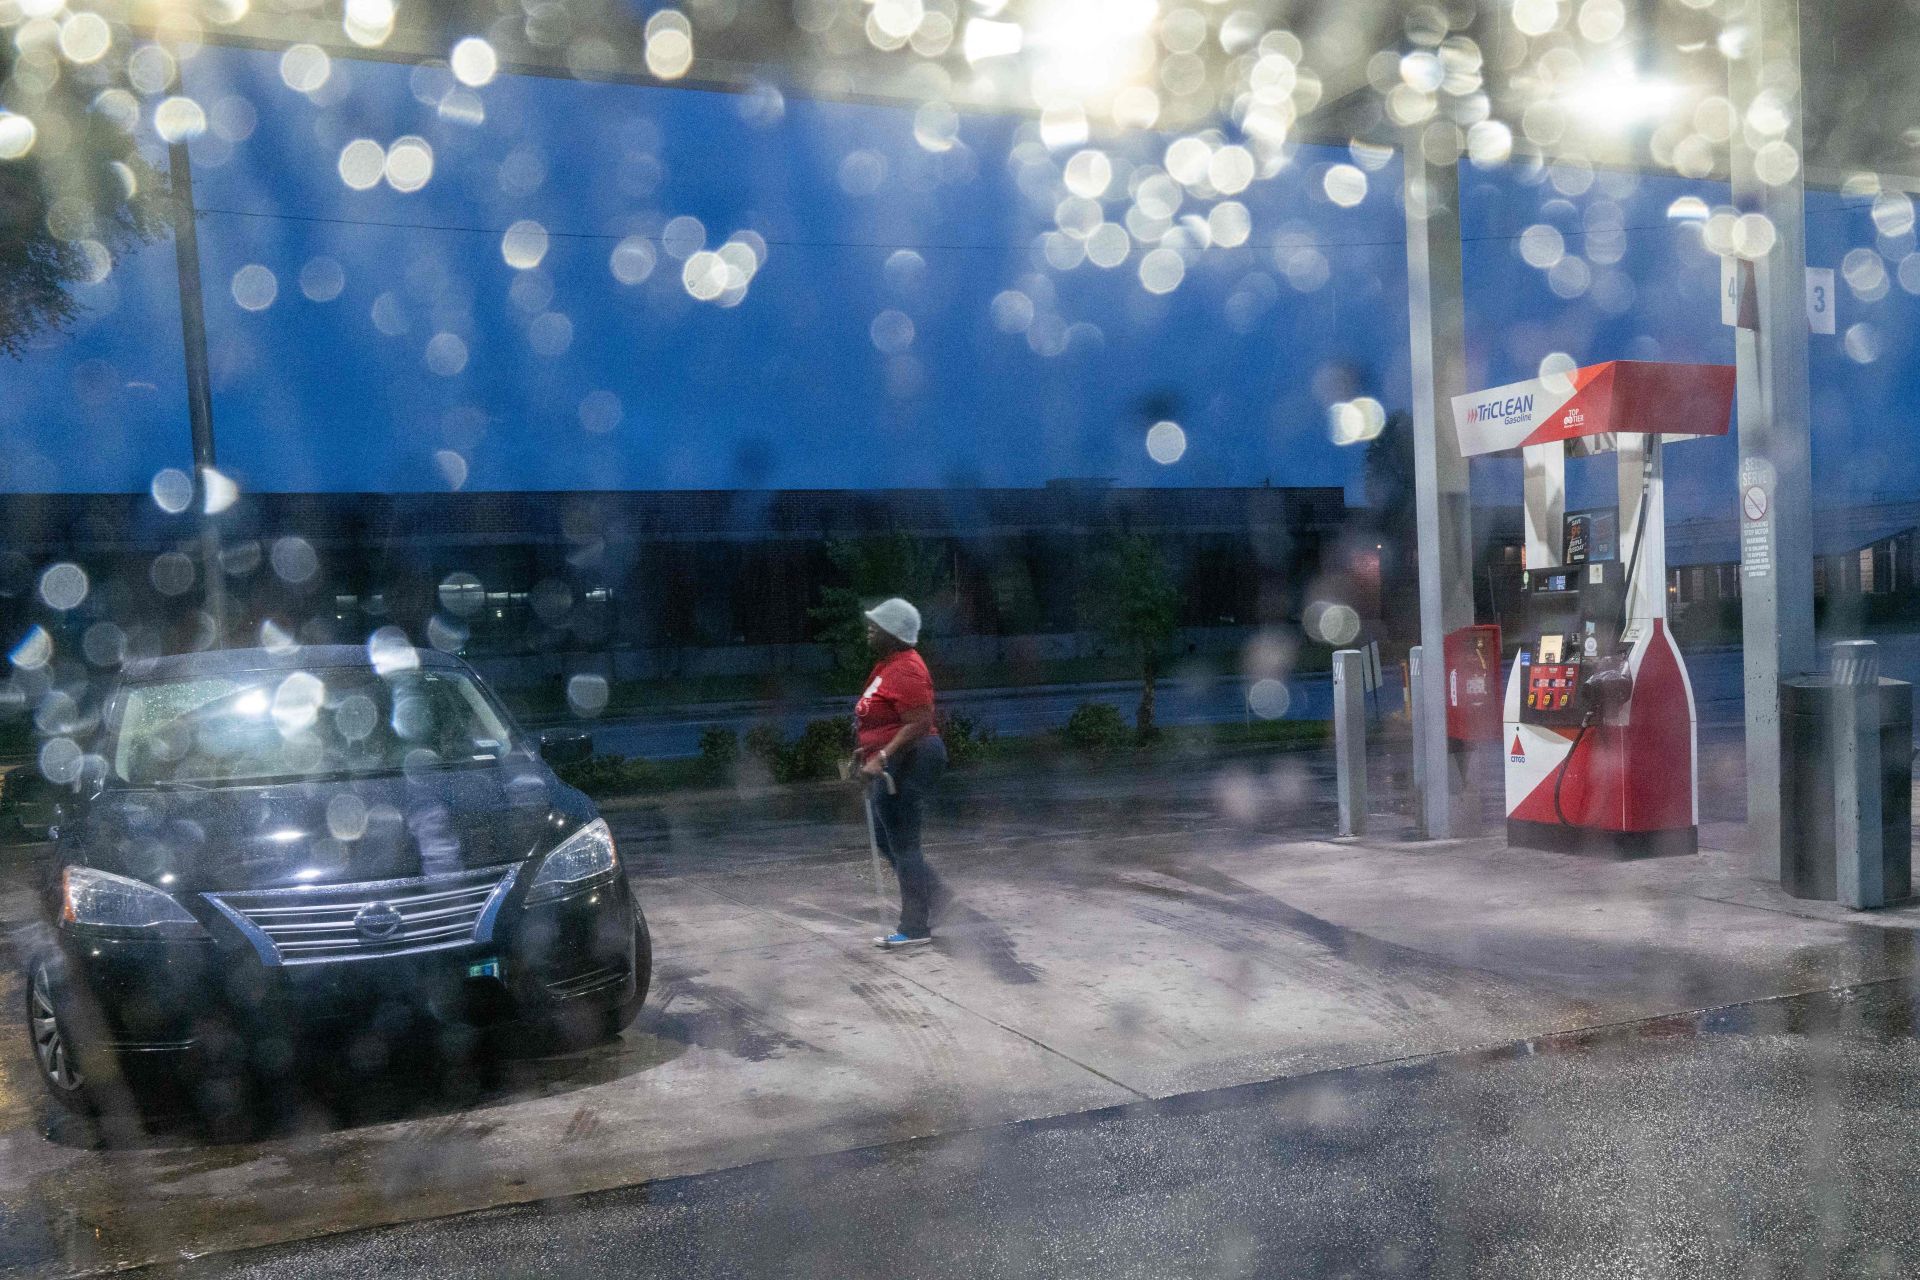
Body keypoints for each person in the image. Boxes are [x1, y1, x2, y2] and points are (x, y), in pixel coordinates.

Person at [855, 597, 948, 950]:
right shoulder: (887, 665)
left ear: (893, 633)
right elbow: (881, 717)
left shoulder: (907, 667)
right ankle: (934, 898)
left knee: (904, 843)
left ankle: (914, 927)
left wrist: (882, 756)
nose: (869, 629)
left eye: (876, 625)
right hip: (893, 759)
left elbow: (919, 722)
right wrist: (864, 749)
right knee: (887, 837)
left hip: (912, 759)